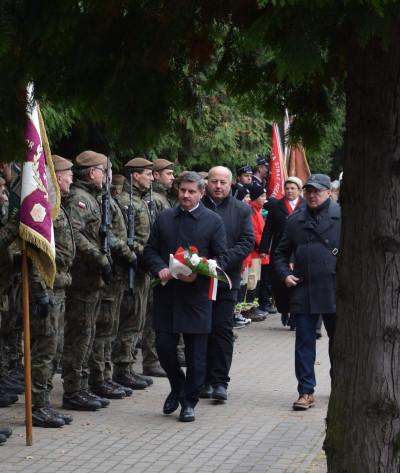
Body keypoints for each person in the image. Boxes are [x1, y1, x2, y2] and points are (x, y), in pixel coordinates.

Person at [144, 172, 228, 422]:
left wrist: (199, 275)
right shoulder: (165, 217)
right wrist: (159, 266)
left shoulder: (212, 221)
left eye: (191, 191)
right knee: (164, 346)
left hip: (197, 297)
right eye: (182, 190)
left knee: (196, 355)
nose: (186, 195)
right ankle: (178, 385)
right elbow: (150, 249)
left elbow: (222, 258)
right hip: (168, 294)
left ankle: (189, 402)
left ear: (202, 193)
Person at [274, 174, 341, 410]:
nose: (312, 195)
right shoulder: (295, 220)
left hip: (335, 291)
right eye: (308, 191)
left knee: (339, 343)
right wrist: (284, 274)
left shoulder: (342, 216)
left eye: (317, 191)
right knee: (304, 343)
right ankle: (305, 391)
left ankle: (340, 387)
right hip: (304, 290)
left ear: (328, 192)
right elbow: (280, 254)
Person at [61, 150, 112, 411]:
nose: (105, 176)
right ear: (92, 172)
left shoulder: (92, 197)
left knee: (88, 333)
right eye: (103, 170)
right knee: (79, 335)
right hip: (82, 280)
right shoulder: (80, 199)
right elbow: (75, 236)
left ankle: (80, 386)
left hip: (91, 281)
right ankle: (72, 390)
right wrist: (99, 258)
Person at [30, 155, 76, 427]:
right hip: (48, 288)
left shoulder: (56, 205)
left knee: (55, 347)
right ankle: (37, 405)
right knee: (45, 350)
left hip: (59, 287)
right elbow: (35, 254)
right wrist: (39, 290)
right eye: (69, 174)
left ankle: (44, 402)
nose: (72, 178)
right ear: (57, 177)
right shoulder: (42, 207)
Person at [201, 166, 254, 400]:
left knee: (222, 330)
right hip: (198, 281)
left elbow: (246, 241)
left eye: (223, 182)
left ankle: (220, 381)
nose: (218, 186)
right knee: (201, 332)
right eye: (214, 181)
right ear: (207, 183)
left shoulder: (241, 210)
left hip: (226, 280)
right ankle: (202, 380)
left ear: (230, 184)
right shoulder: (196, 206)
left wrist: (222, 262)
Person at [112, 158, 154, 390]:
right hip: (129, 268)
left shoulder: (139, 200)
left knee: (135, 319)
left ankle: (126, 367)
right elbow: (125, 239)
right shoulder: (126, 201)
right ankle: (121, 368)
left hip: (140, 267)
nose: (151, 178)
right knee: (128, 321)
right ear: (135, 176)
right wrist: (145, 254)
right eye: (148, 174)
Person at [260, 177, 306, 330]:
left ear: (299, 190)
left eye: (293, 188)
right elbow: (269, 229)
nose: (290, 191)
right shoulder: (276, 205)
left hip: (299, 249)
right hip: (281, 249)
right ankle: (284, 309)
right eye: (287, 188)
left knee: (297, 281)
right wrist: (264, 249)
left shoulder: (305, 205)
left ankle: (295, 316)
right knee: (280, 282)